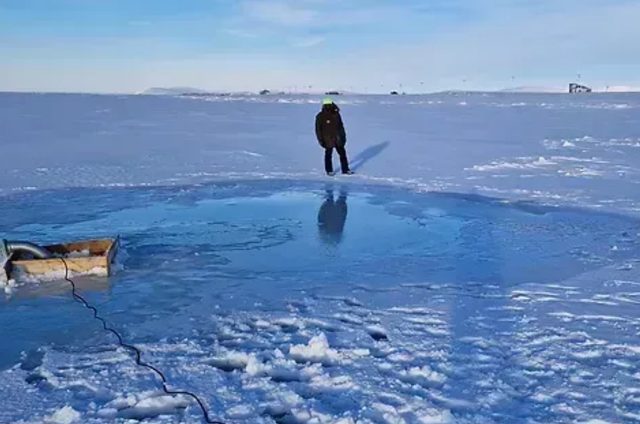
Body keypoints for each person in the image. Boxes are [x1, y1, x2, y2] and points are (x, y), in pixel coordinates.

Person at [315, 98, 353, 175]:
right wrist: (321, 140)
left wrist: (343, 137)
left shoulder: (336, 114)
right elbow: (318, 129)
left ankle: (345, 169)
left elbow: (341, 126)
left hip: (338, 139)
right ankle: (329, 170)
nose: (329, 106)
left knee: (342, 154)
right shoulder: (320, 116)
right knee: (328, 155)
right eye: (327, 105)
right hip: (327, 139)